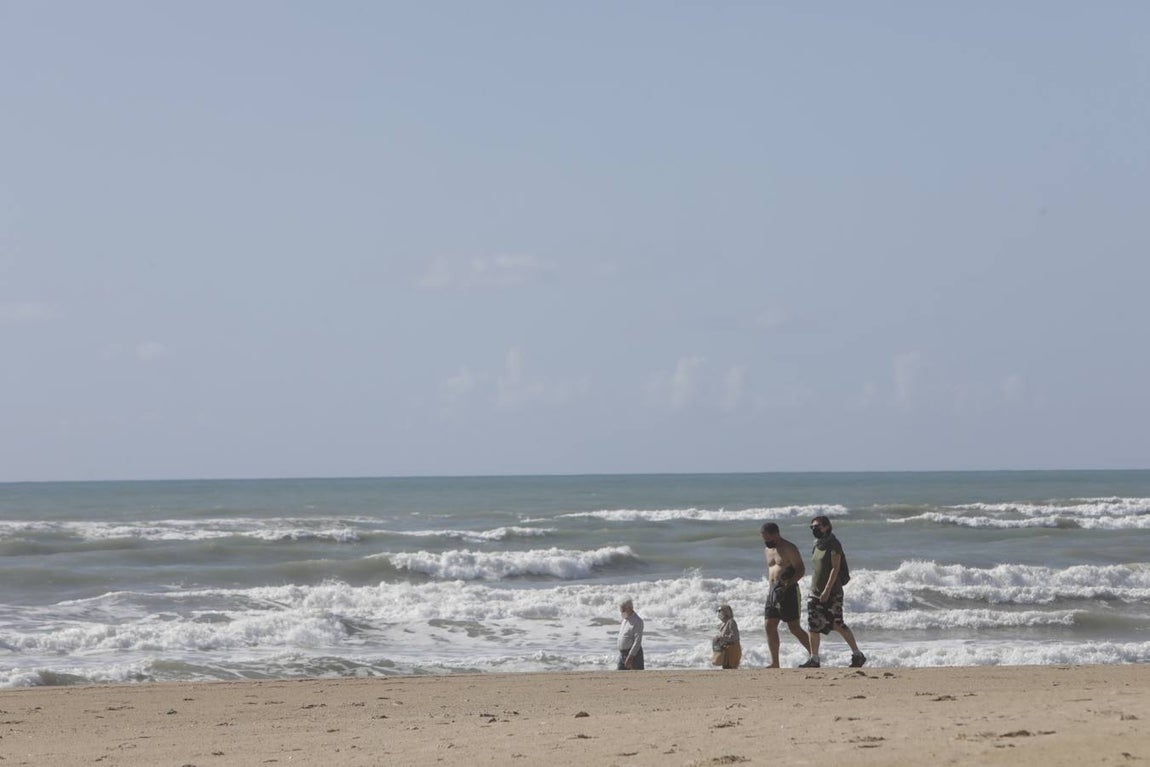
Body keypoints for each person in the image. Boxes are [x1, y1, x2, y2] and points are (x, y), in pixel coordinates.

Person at [800, 515, 866, 669]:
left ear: (827, 527)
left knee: (837, 624)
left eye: (818, 526)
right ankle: (814, 659)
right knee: (813, 625)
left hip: (832, 591)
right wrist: (814, 589)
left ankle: (858, 655)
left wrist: (827, 591)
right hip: (815, 591)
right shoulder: (816, 545)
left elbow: (835, 568)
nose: (814, 529)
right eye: (812, 527)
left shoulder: (833, 544)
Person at [760, 522, 813, 667]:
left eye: (768, 538)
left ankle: (814, 657)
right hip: (773, 591)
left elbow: (801, 570)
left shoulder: (790, 548)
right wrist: (774, 588)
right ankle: (775, 663)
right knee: (769, 625)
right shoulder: (767, 550)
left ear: (776, 534)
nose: (766, 541)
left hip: (789, 591)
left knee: (794, 627)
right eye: (764, 538)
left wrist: (786, 585)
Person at [616, 598, 644, 670]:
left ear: (630, 608)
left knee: (636, 678)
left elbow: (637, 641)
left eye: (623, 610)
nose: (622, 613)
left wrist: (630, 656)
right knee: (619, 677)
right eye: (621, 611)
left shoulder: (637, 621)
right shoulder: (625, 620)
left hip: (633, 656)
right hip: (622, 654)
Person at [712, 604, 742, 669]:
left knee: (730, 668)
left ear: (726, 612)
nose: (719, 613)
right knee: (726, 668)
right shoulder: (724, 623)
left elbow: (735, 637)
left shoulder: (731, 622)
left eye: (720, 611)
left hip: (732, 650)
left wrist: (721, 638)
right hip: (726, 650)